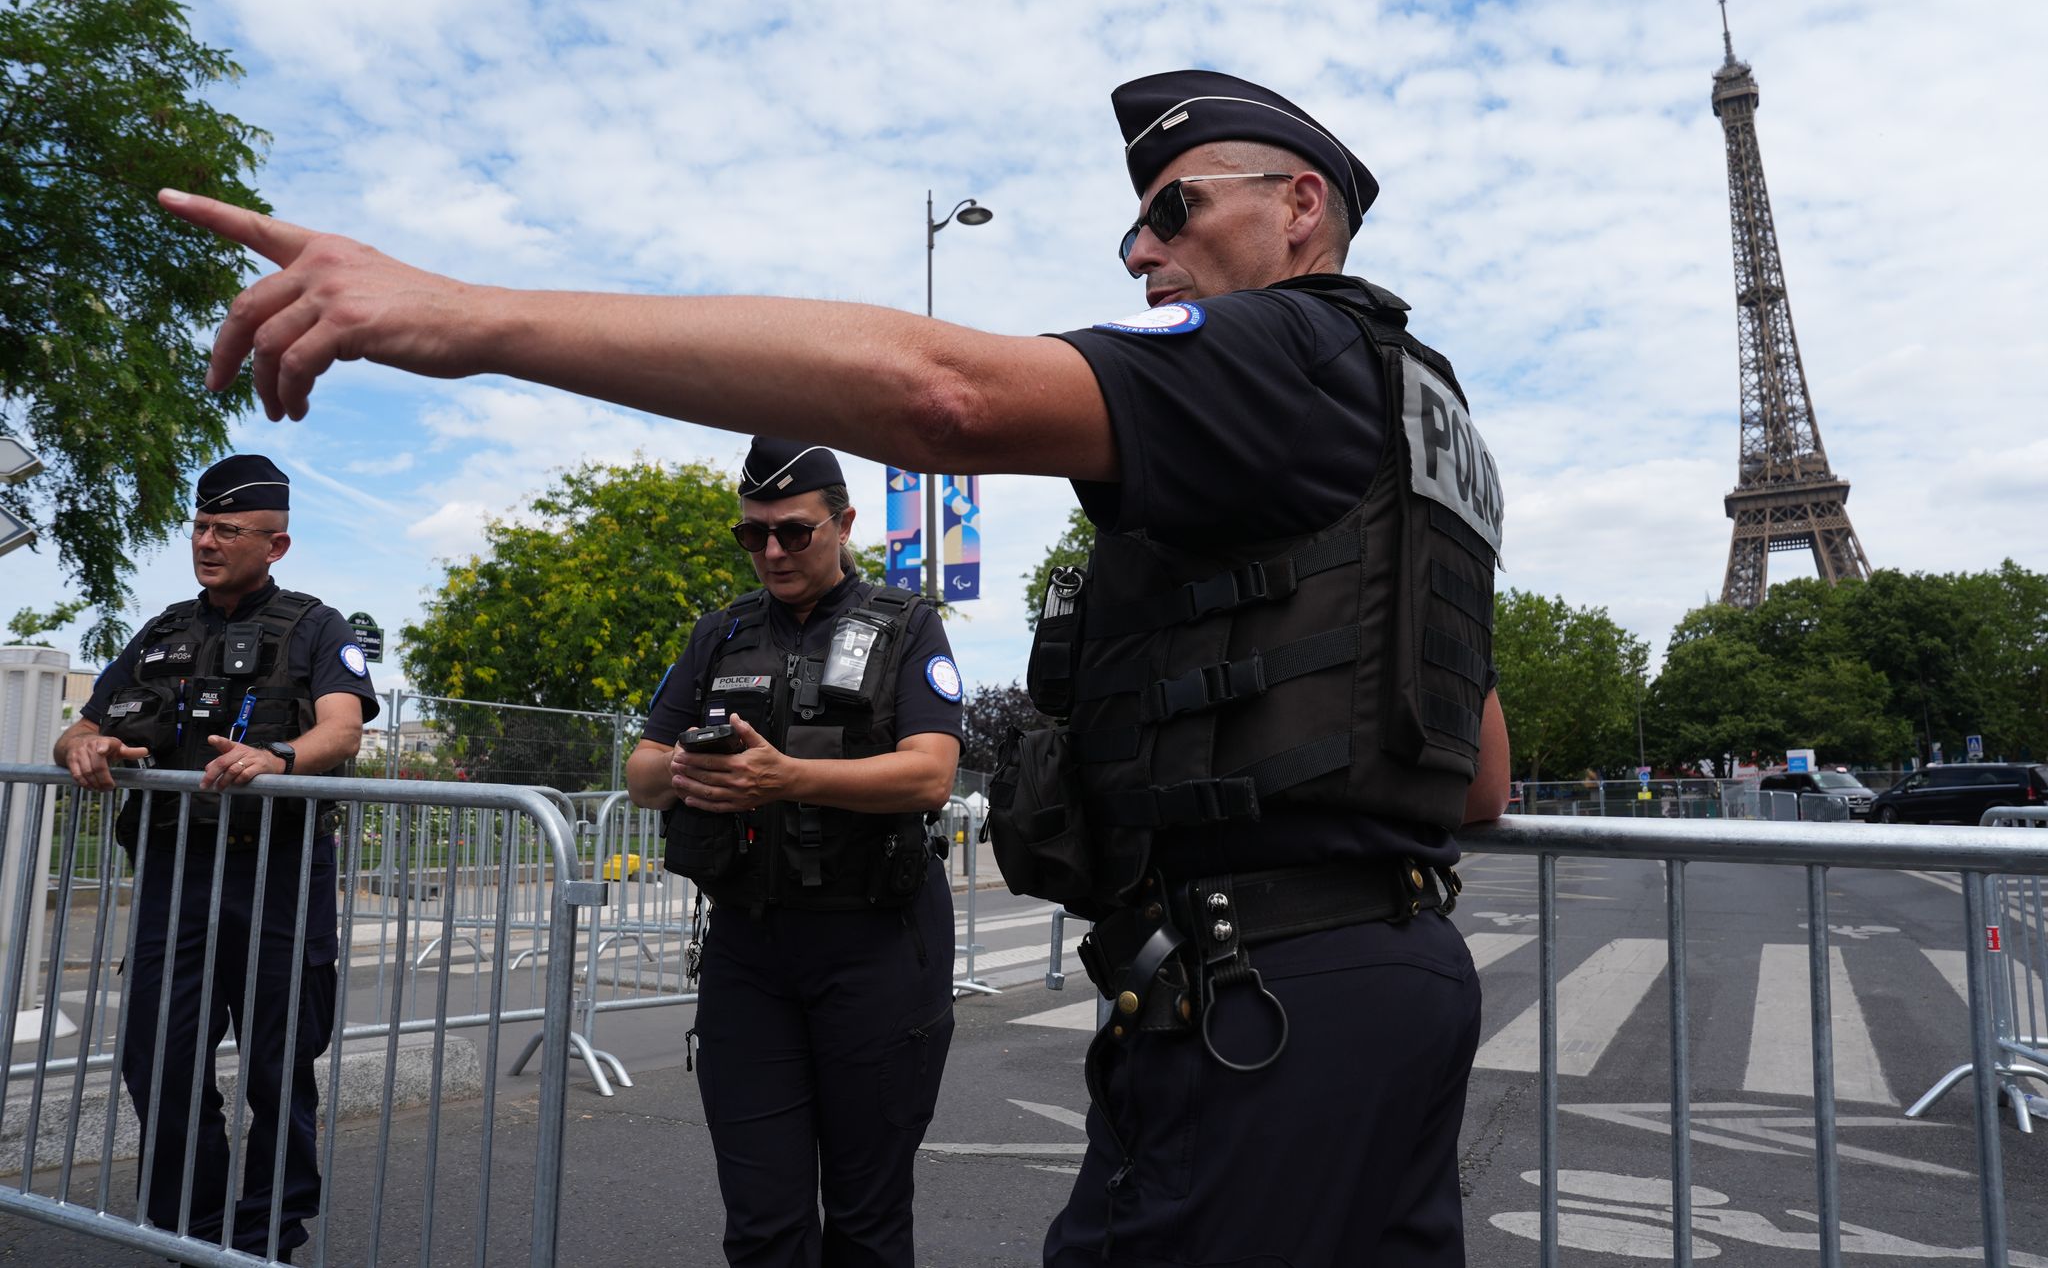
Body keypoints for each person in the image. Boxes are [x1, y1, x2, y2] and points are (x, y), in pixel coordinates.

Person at [161, 64, 1512, 1265]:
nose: (1140, 252)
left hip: (1255, 1006)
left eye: (1174, 209)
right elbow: (1473, 778)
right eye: (1133, 222)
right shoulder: (1422, 421)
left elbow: (941, 396)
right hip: (1389, 982)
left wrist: (459, 318)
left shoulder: (1286, 351)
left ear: (1301, 208)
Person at [623, 436, 964, 1268]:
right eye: (753, 534)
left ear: (843, 523)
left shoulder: (909, 625)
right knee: (763, 1222)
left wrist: (784, 776)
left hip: (877, 949)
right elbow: (639, 770)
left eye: (794, 531)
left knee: (867, 1219)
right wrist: (683, 767)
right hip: (751, 955)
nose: (771, 550)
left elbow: (929, 773)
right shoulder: (721, 632)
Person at [52, 454, 376, 1262]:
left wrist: (280, 759)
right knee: (156, 1059)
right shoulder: (162, 630)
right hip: (175, 871)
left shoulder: (316, 627)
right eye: (200, 525)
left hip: (280, 873)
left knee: (279, 1064)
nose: (206, 540)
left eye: (227, 529)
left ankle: (267, 1234)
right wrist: (85, 747)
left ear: (277, 544)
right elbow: (75, 727)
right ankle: (190, 1232)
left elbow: (342, 727)